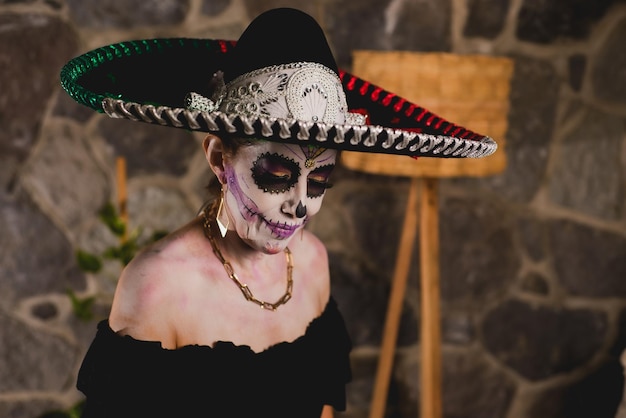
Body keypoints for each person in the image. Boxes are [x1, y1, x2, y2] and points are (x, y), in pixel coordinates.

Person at [60, 7, 497, 418]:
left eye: (320, 180)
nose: (301, 204)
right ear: (218, 158)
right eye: (275, 172)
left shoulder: (313, 263)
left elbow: (323, 408)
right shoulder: (158, 286)